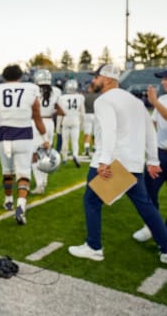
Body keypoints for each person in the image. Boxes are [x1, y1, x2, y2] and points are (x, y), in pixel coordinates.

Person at [68, 64, 167, 264]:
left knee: (92, 201)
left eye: (96, 77)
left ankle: (94, 247)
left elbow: (109, 130)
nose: (93, 81)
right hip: (133, 162)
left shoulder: (104, 100)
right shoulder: (135, 101)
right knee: (146, 206)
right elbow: (150, 131)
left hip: (113, 162)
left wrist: (104, 161)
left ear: (107, 79)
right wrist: (153, 160)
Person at [0, 64, 50, 225]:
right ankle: (21, 206)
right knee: (24, 174)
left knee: (7, 171)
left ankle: (8, 200)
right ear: (20, 76)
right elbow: (37, 116)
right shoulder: (30, 89)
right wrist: (44, 138)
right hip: (24, 136)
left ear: (4, 76)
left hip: (4, 136)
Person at [133, 70, 167, 242]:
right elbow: (153, 124)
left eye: (165, 79)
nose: (162, 83)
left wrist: (153, 102)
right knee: (149, 192)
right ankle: (151, 226)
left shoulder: (158, 101)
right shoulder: (162, 100)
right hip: (161, 153)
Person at [30, 69, 64, 194]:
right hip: (50, 123)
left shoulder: (32, 90)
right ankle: (44, 181)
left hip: (36, 123)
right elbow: (60, 110)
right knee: (46, 153)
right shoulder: (57, 91)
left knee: (35, 155)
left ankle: (40, 184)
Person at [56, 79, 84, 167]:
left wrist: (58, 126)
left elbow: (60, 114)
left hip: (65, 120)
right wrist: (82, 123)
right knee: (75, 141)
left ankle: (64, 158)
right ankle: (75, 155)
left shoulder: (61, 98)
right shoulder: (80, 97)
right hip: (75, 119)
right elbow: (82, 113)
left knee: (65, 140)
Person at [82, 84, 100, 157]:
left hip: (87, 114)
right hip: (95, 115)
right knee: (95, 133)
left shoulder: (85, 96)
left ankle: (86, 147)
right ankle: (95, 147)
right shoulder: (98, 96)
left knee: (87, 133)